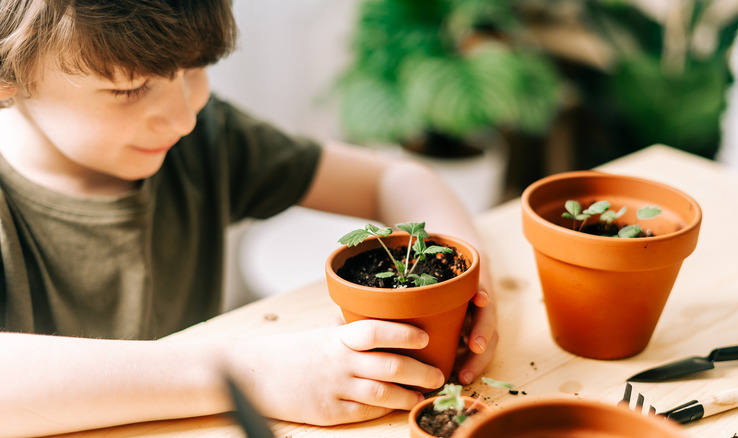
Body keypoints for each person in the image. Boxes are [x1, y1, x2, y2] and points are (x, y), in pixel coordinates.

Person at [0, 1, 497, 436]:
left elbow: (396, 181)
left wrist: (470, 286)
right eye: (130, 89)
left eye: (195, 68)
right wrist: (248, 374)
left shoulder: (207, 138)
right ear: (9, 79)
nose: (183, 117)